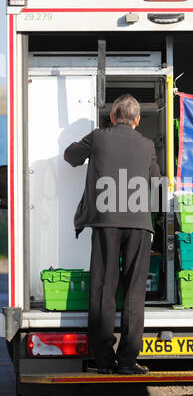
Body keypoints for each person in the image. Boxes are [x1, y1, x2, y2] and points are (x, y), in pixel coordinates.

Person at [64, 94, 161, 375]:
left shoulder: (98, 137)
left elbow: (70, 156)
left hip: (106, 223)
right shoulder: (146, 145)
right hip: (139, 225)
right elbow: (156, 182)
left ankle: (105, 361)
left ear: (112, 116)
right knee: (133, 292)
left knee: (104, 289)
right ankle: (128, 362)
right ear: (137, 120)